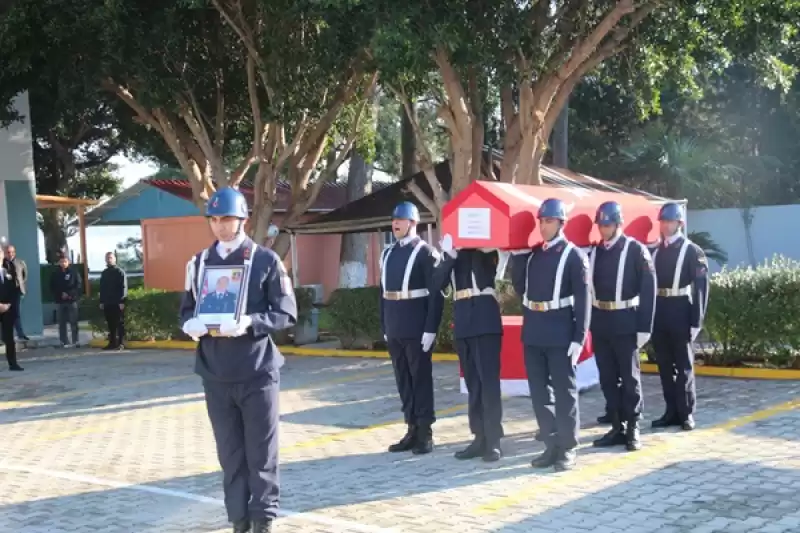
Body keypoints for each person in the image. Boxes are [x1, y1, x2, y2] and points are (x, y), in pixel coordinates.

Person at [180, 186, 296, 533]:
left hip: (256, 370)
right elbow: (186, 308)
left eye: (226, 219)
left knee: (261, 452)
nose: (219, 226)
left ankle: (263, 518)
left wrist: (250, 322)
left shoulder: (265, 260)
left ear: (242, 219)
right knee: (230, 454)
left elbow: (286, 312)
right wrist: (191, 324)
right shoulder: (199, 262)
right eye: (213, 219)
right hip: (215, 373)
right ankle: (238, 518)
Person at [509, 198, 590, 472]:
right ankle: (551, 444)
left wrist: (579, 337)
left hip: (560, 331)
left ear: (560, 223)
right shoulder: (533, 256)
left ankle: (568, 447)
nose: (543, 226)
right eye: (541, 221)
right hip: (534, 330)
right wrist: (517, 254)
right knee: (539, 393)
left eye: (549, 221)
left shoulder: (573, 255)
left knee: (565, 393)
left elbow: (583, 300)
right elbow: (521, 288)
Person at [588, 201, 656, 451]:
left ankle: (633, 426)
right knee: (607, 378)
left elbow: (648, 290)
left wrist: (644, 327)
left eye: (607, 224)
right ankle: (617, 426)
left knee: (629, 378)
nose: (603, 229)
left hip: (626, 319)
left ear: (618, 224)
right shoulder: (594, 253)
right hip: (601, 320)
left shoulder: (636, 250)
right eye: (601, 225)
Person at [380, 201, 445, 455]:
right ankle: (411, 428)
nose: (396, 224)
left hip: (417, 325)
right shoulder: (388, 254)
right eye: (394, 220)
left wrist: (431, 328)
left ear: (413, 223)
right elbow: (382, 293)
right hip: (395, 323)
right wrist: (385, 324)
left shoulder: (426, 253)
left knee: (420, 380)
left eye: (401, 220)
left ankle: (425, 431)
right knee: (403, 380)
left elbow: (435, 295)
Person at [432, 234, 504, 462]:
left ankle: (493, 439)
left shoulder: (486, 250)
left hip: (485, 319)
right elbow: (436, 283)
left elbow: (497, 260)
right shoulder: (453, 255)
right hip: (463, 321)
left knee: (488, 383)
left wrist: (475, 242)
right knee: (473, 383)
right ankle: (479, 436)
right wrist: (449, 256)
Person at [651, 202, 709, 431]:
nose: (666, 225)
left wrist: (697, 320)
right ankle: (670, 411)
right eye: (663, 221)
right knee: (664, 365)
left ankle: (686, 413)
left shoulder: (692, 251)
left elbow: (701, 288)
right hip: (660, 310)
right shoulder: (655, 251)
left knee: (683, 365)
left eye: (670, 221)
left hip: (680, 309)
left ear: (679, 223)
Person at [50, 254, 82, 348]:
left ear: (68, 262)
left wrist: (69, 294)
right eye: (61, 262)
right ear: (59, 263)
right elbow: (52, 286)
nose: (63, 263)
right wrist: (61, 294)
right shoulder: (55, 273)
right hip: (60, 301)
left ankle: (75, 341)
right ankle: (63, 341)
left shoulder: (74, 272)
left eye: (65, 261)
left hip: (72, 301)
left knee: (74, 321)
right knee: (62, 322)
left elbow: (78, 285)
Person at [99, 251, 128, 350]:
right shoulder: (104, 273)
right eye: (107, 258)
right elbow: (102, 288)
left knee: (119, 324)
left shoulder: (120, 272)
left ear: (115, 259)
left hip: (117, 303)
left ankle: (121, 343)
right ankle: (112, 343)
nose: (109, 259)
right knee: (111, 324)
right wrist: (102, 301)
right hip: (107, 303)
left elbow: (123, 287)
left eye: (111, 257)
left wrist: (122, 301)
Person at [0, 247, 23, 371]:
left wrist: (8, 305)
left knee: (9, 338)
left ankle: (13, 364)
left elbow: (14, 290)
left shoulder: (7, 269)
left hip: (7, 309)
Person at [5, 244, 29, 341]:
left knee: (16, 312)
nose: (10, 254)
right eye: (8, 252)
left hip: (17, 291)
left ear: (14, 252)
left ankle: (20, 334)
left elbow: (25, 276)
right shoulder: (2, 263)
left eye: (12, 252)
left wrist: (21, 286)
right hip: (5, 292)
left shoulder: (20, 262)